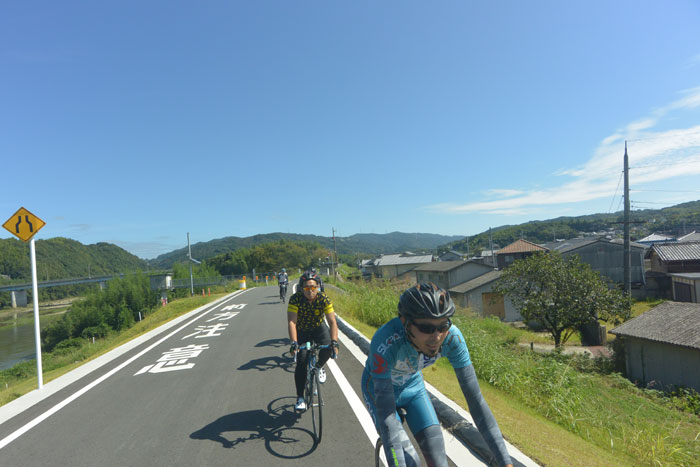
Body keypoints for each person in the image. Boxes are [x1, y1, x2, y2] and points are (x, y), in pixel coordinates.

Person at [362, 283, 513, 467]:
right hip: (378, 390)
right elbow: (388, 420)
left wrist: (505, 462)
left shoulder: (453, 339)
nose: (436, 337)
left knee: (439, 462)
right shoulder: (386, 342)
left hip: (413, 388)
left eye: (442, 326)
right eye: (426, 328)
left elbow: (476, 402)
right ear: (405, 322)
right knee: (408, 462)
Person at [287, 270, 339, 411]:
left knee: (328, 348)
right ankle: (300, 397)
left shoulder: (324, 298)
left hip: (318, 327)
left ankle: (319, 366)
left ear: (318, 287)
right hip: (302, 330)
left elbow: (332, 322)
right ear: (301, 288)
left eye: (313, 287)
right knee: (302, 361)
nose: (310, 290)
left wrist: (334, 341)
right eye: (306, 288)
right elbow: (292, 322)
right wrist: (294, 343)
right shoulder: (295, 299)